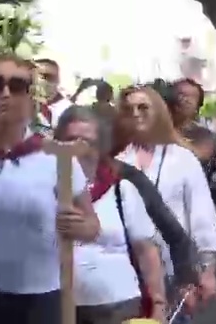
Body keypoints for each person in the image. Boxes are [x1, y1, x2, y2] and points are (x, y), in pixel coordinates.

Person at [0, 54, 100, 324]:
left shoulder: (56, 157)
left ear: (31, 96)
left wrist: (79, 226)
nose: (5, 93)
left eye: (17, 85)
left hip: (41, 301)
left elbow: (92, 226)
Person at [115, 86, 216, 321]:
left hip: (179, 271)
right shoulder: (118, 162)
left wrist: (207, 271)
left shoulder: (182, 158)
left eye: (143, 107)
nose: (135, 113)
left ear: (159, 112)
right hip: (134, 273)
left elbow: (202, 215)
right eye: (128, 109)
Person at [55, 106, 167, 324]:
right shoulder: (44, 189)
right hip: (60, 308)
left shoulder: (121, 190)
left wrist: (159, 304)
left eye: (87, 141)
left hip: (118, 307)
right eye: (70, 139)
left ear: (100, 147)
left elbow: (146, 251)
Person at [35, 57, 72, 129]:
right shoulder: (24, 109)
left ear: (58, 79)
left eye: (47, 76)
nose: (42, 81)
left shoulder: (70, 111)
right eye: (37, 76)